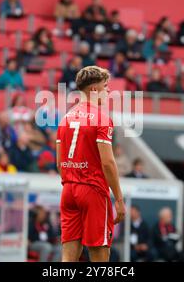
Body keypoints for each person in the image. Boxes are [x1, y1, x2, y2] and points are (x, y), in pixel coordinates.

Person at [56, 65, 126, 262]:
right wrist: (119, 199)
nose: (109, 91)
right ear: (94, 90)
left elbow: (59, 162)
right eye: (106, 86)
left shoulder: (65, 118)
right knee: (100, 255)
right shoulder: (102, 118)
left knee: (68, 258)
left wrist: (72, 180)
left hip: (68, 190)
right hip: (93, 191)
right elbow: (108, 163)